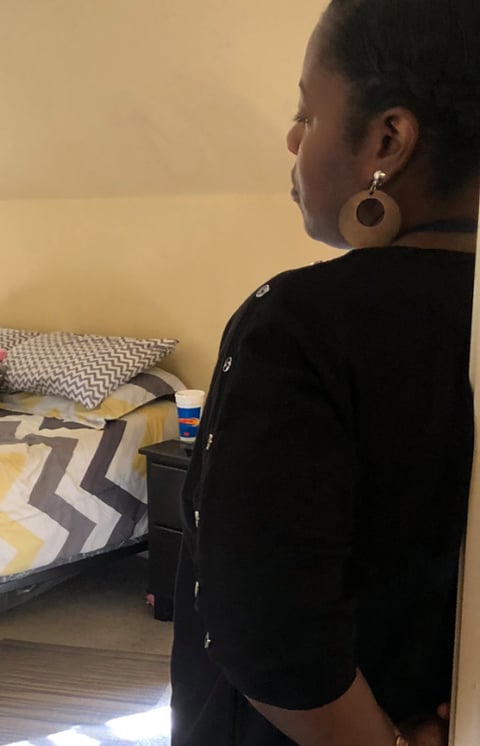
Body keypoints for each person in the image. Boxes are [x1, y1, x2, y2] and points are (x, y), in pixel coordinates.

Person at [170, 0, 479, 744]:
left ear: (388, 139)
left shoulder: (300, 323)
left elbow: (268, 634)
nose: (292, 135)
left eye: (307, 111)